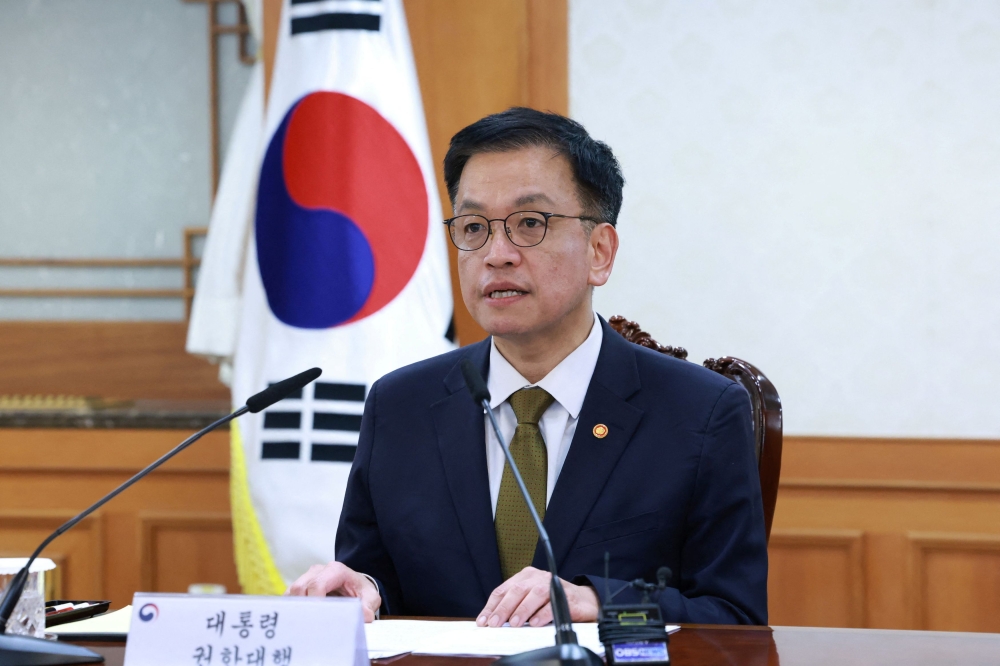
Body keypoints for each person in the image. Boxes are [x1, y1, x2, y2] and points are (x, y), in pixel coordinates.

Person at [287, 107, 768, 627]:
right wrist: (361, 593)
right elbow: (380, 583)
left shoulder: (699, 412)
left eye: (530, 224)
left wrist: (601, 603)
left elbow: (733, 618)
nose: (496, 254)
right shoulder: (401, 405)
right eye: (473, 227)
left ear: (599, 252)